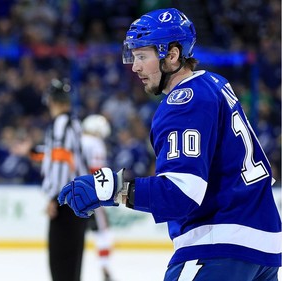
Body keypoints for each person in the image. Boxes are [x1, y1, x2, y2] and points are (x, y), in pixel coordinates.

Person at [58, 8, 282, 281]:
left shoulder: (184, 101)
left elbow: (181, 193)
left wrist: (112, 189)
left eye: (142, 56)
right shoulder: (216, 84)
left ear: (172, 55)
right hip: (264, 250)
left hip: (217, 247)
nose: (135, 66)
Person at [41, 78, 88, 281]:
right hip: (78, 199)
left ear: (51, 100)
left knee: (60, 264)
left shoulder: (60, 124)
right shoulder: (74, 123)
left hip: (66, 201)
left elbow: (60, 161)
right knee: (71, 264)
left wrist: (54, 197)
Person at [81, 114, 114, 281]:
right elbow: (96, 171)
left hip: (72, 191)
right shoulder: (96, 144)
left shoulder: (77, 140)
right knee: (103, 233)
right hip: (91, 194)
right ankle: (105, 267)